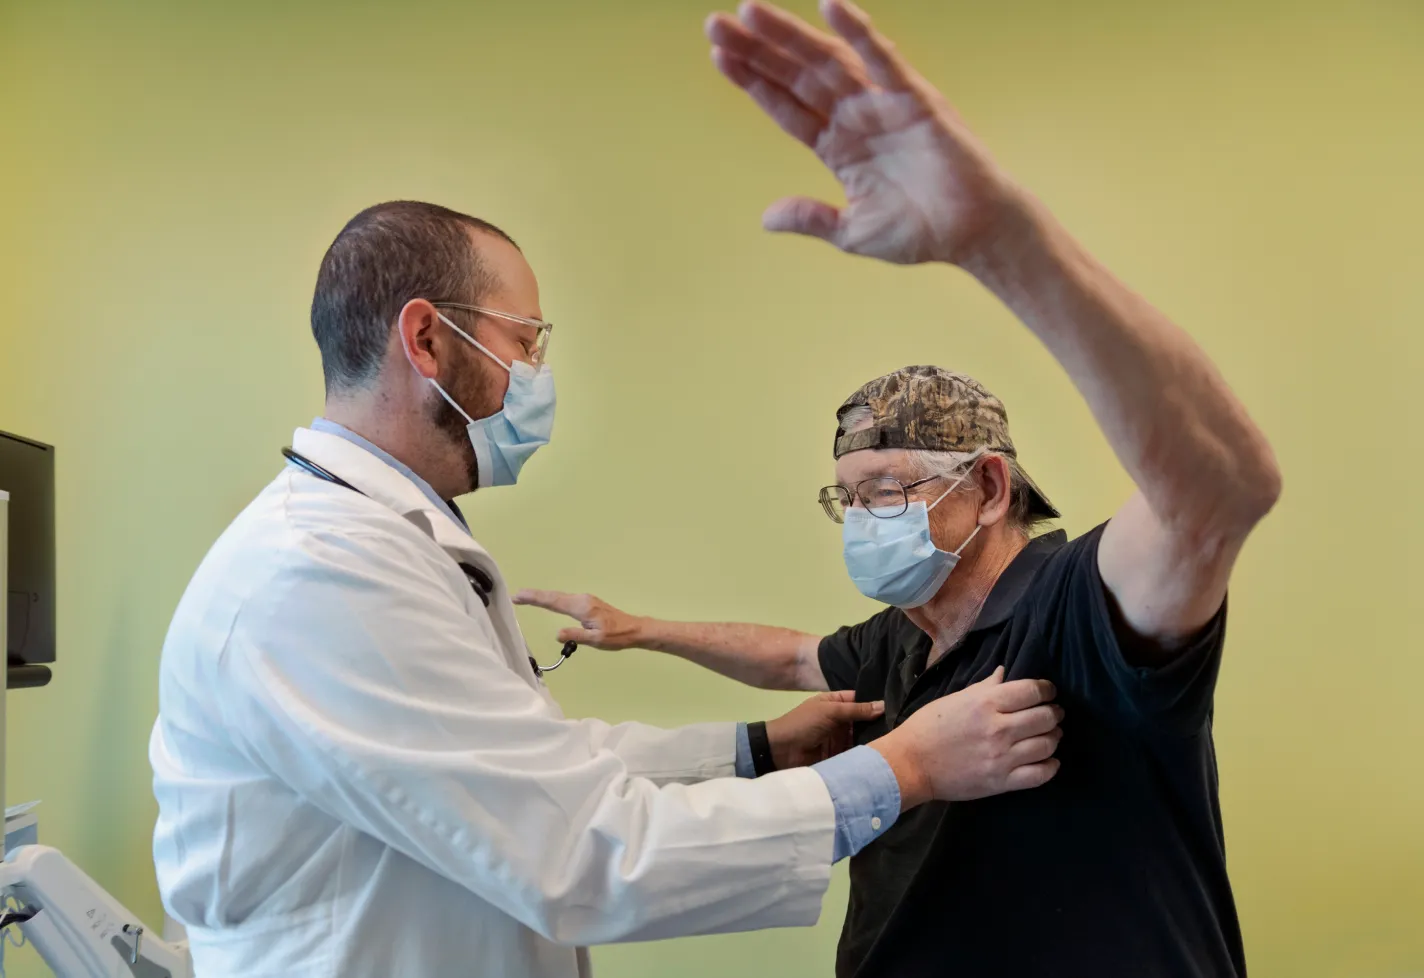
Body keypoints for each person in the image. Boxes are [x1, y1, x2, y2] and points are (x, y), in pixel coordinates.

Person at [516, 1, 1282, 976]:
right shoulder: (902, 639)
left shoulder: (1078, 604)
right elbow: (792, 660)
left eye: (887, 486)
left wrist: (1000, 242)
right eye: (849, 496)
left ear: (989, 486)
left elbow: (1220, 492)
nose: (865, 517)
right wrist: (641, 629)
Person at [147, 197, 1065, 978]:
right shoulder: (322, 571)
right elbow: (584, 846)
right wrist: (902, 768)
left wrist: (754, 749)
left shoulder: (384, 544)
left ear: (987, 489)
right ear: (426, 338)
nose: (538, 376)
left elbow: (519, 767)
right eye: (526, 341)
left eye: (892, 490)